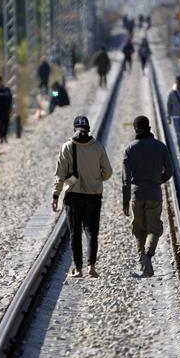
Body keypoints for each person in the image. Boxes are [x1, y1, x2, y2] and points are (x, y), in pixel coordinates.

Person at [52, 116, 113, 278]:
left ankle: (78, 269)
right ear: (88, 129)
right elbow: (108, 172)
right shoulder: (97, 147)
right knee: (92, 232)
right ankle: (91, 267)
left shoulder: (67, 147)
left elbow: (60, 174)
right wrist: (95, 177)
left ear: (74, 129)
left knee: (75, 233)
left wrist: (56, 195)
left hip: (73, 197)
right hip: (93, 196)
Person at [122, 116, 173, 277]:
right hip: (154, 194)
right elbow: (170, 171)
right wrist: (159, 180)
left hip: (137, 195)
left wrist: (125, 202)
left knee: (138, 230)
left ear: (135, 129)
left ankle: (143, 261)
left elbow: (125, 180)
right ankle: (148, 256)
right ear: (149, 127)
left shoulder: (130, 149)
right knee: (154, 229)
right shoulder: (161, 147)